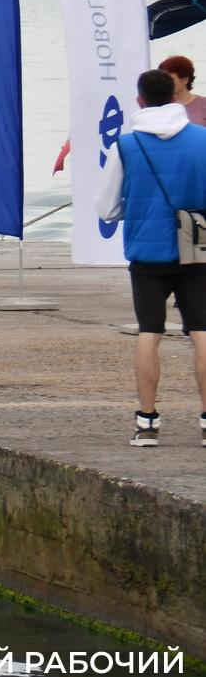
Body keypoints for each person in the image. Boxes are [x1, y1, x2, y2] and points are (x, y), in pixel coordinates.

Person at [97, 68, 206, 448]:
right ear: (177, 98)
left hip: (147, 251)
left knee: (150, 332)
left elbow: (107, 208)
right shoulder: (203, 139)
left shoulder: (126, 145)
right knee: (202, 331)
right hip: (196, 251)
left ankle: (147, 422)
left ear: (140, 100)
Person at [159, 55, 206, 128]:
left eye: (169, 79)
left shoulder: (204, 104)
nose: (165, 83)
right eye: (162, 79)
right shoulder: (158, 106)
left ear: (185, 80)